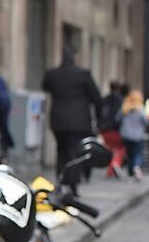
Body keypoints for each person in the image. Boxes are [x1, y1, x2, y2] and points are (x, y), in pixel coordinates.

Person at [42, 46, 103, 192]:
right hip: (79, 121)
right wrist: (99, 121)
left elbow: (45, 86)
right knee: (74, 152)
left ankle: (61, 181)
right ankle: (72, 185)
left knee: (61, 150)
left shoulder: (53, 74)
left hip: (58, 120)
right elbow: (97, 99)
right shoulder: (83, 74)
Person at [119, 90, 147, 182]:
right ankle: (137, 166)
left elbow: (117, 119)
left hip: (126, 135)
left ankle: (130, 173)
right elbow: (145, 122)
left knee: (129, 155)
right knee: (138, 153)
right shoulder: (141, 109)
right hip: (138, 135)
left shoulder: (124, 108)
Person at [100, 81, 127, 178]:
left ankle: (110, 169)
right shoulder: (122, 100)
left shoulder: (105, 99)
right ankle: (115, 164)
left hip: (104, 129)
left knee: (110, 149)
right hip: (116, 129)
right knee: (121, 148)